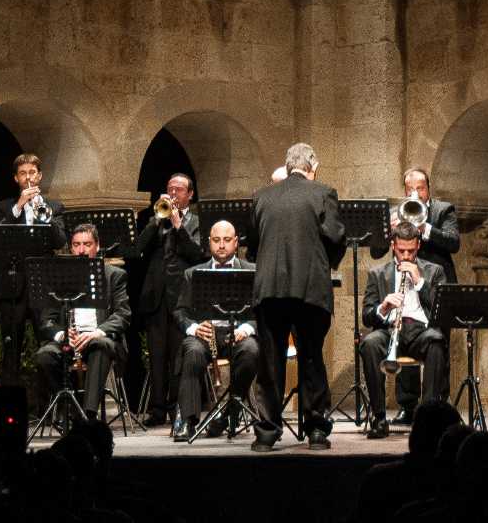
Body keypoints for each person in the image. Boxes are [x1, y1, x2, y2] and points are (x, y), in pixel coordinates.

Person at [249, 141, 346, 451]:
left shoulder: (262, 196)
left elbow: (252, 244)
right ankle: (316, 430)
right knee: (311, 356)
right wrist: (325, 262)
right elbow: (336, 237)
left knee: (270, 361)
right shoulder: (323, 193)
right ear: (312, 167)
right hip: (309, 289)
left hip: (269, 289)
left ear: (288, 165)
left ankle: (266, 433)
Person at [370, 167, 461, 425]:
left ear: (428, 188)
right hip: (402, 288)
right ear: (404, 190)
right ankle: (408, 407)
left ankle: (437, 404)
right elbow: (377, 251)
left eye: (420, 188)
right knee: (401, 334)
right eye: (410, 189)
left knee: (437, 341)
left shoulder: (444, 210)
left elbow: (454, 243)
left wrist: (426, 228)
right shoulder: (396, 213)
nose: (416, 193)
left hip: (433, 284)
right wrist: (388, 230)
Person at [171, 219, 258, 441]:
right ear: (209, 242)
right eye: (216, 240)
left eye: (227, 240)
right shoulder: (194, 273)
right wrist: (194, 327)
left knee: (250, 351)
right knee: (192, 352)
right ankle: (187, 421)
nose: (221, 245)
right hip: (204, 335)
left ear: (236, 242)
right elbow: (180, 311)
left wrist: (247, 328)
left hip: (236, 334)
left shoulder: (252, 271)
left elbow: (261, 312)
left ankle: (229, 411)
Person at [31, 222, 131, 419]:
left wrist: (97, 332)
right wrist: (62, 334)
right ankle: (69, 408)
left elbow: (123, 314)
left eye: (87, 244)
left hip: (99, 339)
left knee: (100, 346)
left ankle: (88, 415)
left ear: (98, 246)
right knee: (45, 356)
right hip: (69, 342)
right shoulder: (59, 277)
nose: (82, 250)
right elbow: (46, 320)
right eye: (77, 245)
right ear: (71, 247)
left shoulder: (114, 276)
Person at [360, 223, 449, 438]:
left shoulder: (434, 271)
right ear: (393, 246)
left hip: (420, 331)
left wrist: (419, 282)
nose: (406, 255)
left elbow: (442, 309)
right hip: (390, 330)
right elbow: (367, 314)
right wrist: (383, 307)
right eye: (401, 250)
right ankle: (379, 418)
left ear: (418, 245)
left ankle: (428, 419)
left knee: (436, 340)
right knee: (370, 343)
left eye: (411, 250)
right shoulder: (378, 273)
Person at [132, 172, 204, 426]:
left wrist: (178, 225)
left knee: (178, 356)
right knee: (157, 355)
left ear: (190, 194)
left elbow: (197, 255)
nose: (173, 194)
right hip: (155, 296)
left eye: (179, 190)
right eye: (169, 188)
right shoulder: (156, 220)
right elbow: (137, 249)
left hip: (182, 298)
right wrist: (155, 220)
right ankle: (157, 409)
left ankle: (177, 409)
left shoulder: (196, 222)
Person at [0, 153, 67, 385]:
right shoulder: (3, 208)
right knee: (11, 349)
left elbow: (60, 241)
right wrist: (19, 207)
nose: (28, 178)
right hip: (13, 284)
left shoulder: (54, 207)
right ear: (16, 178)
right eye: (23, 173)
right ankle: (11, 411)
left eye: (32, 173)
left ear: (40, 176)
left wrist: (45, 213)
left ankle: (49, 409)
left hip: (44, 285)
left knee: (47, 345)